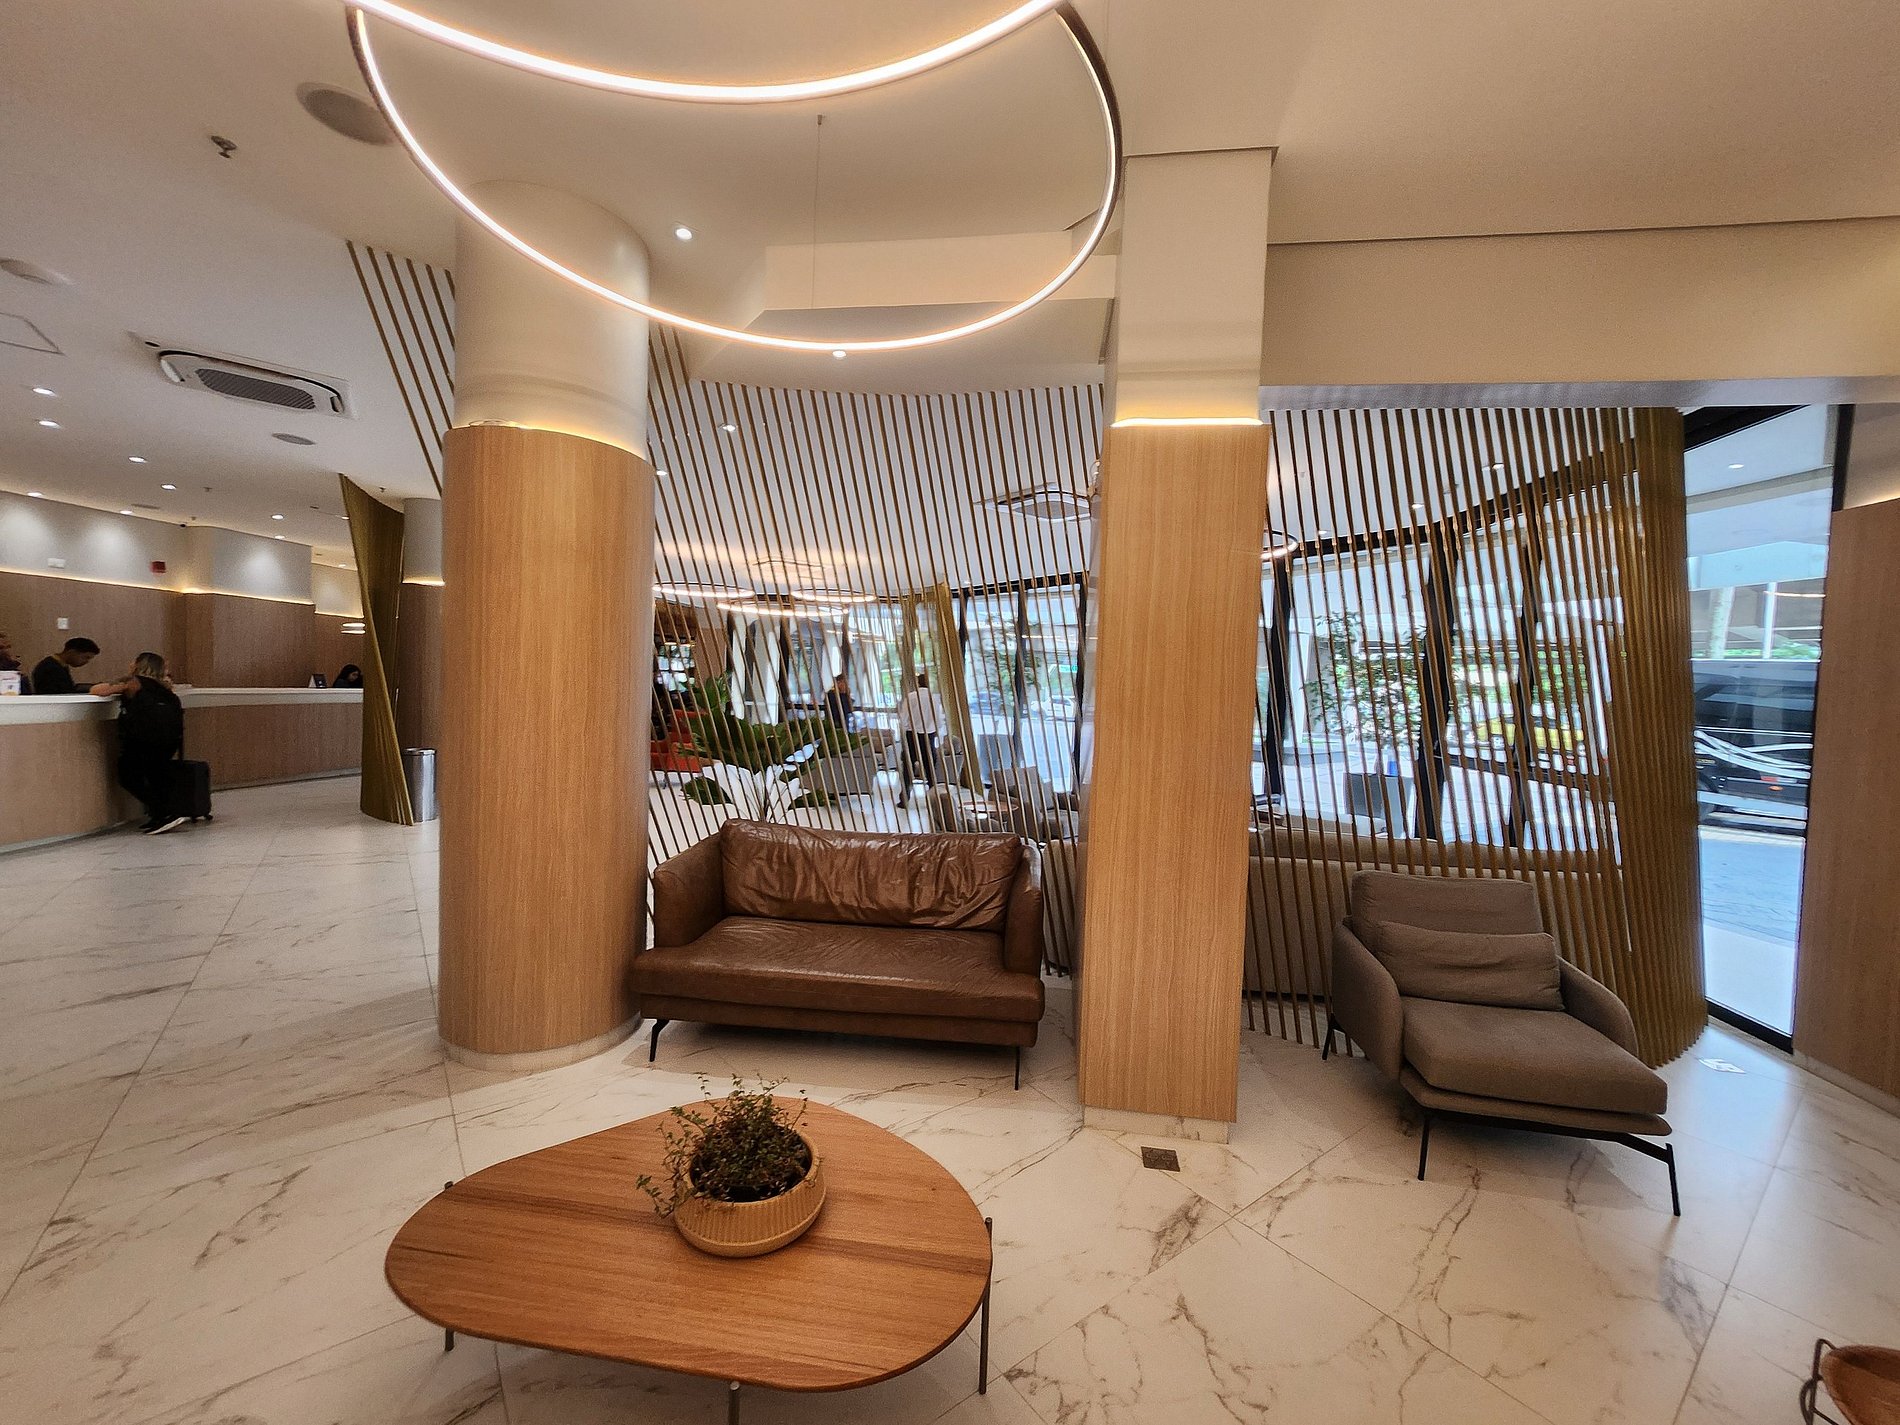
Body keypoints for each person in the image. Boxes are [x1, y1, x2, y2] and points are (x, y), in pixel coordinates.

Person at [92, 652, 188, 834]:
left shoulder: (132, 682)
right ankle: (160, 816)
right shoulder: (166, 688)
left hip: (142, 740)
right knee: (156, 777)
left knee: (128, 776)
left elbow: (98, 691)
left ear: (138, 665)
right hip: (169, 740)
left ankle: (164, 813)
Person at [894, 673, 946, 810]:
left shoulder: (911, 697)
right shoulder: (934, 698)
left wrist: (905, 728)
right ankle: (934, 801)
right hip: (929, 735)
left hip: (912, 735)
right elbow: (939, 720)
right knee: (930, 769)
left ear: (918, 682)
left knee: (908, 768)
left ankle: (904, 799)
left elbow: (904, 717)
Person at [29, 636, 100, 696]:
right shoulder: (51, 668)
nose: (86, 661)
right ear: (71, 652)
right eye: (86, 657)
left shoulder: (59, 665)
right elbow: (61, 693)